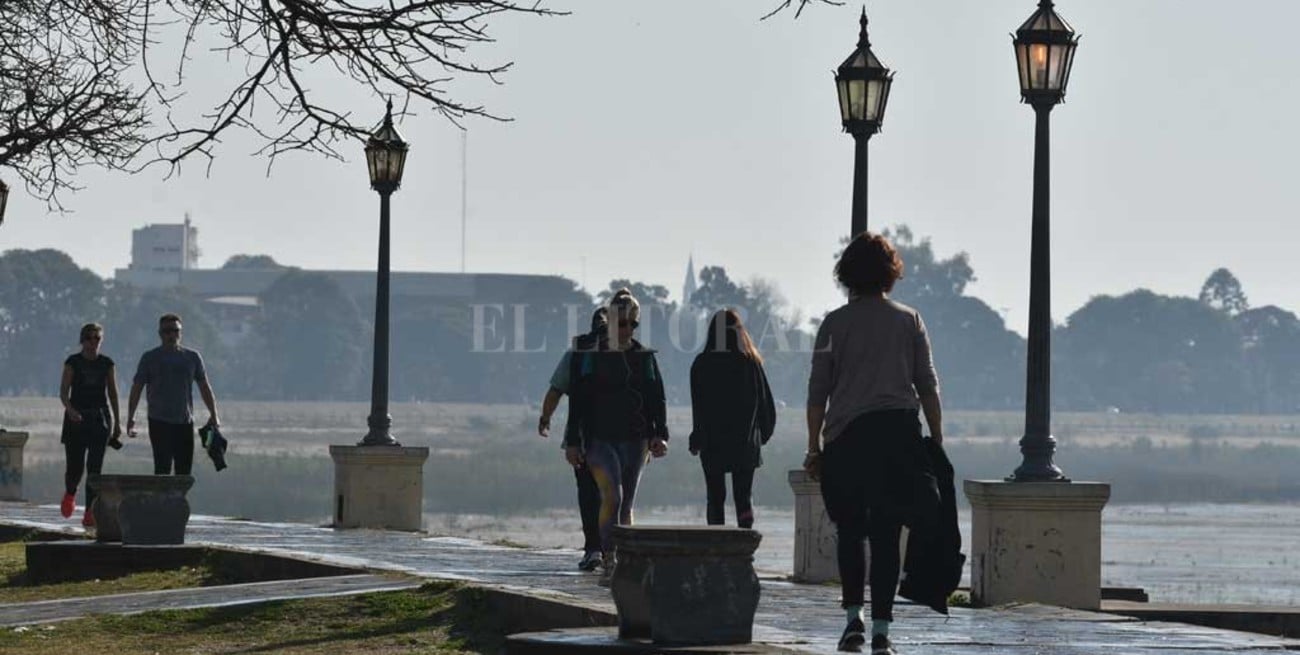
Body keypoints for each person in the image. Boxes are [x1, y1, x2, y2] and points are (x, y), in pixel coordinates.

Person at [804, 233, 943, 655]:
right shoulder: (909, 320)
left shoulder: (833, 324)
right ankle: (882, 629)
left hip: (847, 439)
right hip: (898, 435)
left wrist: (814, 447)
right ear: (890, 273)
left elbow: (817, 393)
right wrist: (935, 441)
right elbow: (928, 387)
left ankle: (853, 622)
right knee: (887, 533)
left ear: (847, 275)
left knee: (851, 531)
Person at [564, 289, 669, 584]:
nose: (625, 330)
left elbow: (656, 396)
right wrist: (573, 441)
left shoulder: (643, 357)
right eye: (620, 323)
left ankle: (626, 559)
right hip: (599, 437)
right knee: (612, 494)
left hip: (635, 437)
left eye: (631, 324)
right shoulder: (588, 356)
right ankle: (608, 557)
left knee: (626, 504)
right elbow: (578, 400)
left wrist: (660, 434)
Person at [688, 309, 775, 529]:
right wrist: (761, 436)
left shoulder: (701, 364)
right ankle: (745, 548)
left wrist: (697, 438)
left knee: (715, 498)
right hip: (745, 442)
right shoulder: (750, 363)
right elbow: (765, 404)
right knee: (743, 498)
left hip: (712, 442)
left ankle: (716, 548)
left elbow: (699, 408)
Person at [538, 307, 607, 572]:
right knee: (613, 494)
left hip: (582, 436)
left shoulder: (576, 354)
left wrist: (545, 418)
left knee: (588, 494)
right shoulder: (628, 353)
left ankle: (593, 549)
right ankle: (609, 548)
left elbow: (556, 390)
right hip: (618, 438)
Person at [126, 314, 221, 475]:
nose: (171, 335)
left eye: (175, 331)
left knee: (184, 471)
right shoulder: (150, 358)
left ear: (180, 333)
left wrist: (214, 414)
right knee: (162, 469)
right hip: (158, 420)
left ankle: (178, 500)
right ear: (160, 334)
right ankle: (162, 501)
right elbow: (137, 388)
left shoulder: (192, 357)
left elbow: (204, 386)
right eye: (167, 331)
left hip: (184, 421)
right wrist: (131, 417)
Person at [58, 323, 123, 526]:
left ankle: (90, 511)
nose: (93, 342)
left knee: (94, 469)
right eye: (89, 338)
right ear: (82, 340)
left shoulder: (107, 364)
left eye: (97, 338)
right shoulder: (73, 362)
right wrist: (70, 410)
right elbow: (63, 392)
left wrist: (117, 422)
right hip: (76, 419)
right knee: (75, 467)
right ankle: (70, 492)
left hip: (99, 419)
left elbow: (112, 393)